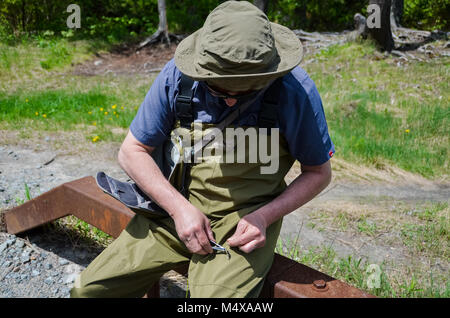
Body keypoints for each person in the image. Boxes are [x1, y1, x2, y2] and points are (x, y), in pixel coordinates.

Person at [71, 0, 334, 298]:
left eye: (247, 89)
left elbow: (318, 173)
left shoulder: (295, 90)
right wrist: (180, 209)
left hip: (243, 225)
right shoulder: (178, 77)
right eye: (219, 88)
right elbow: (132, 151)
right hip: (171, 212)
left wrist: (264, 217)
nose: (232, 100)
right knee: (87, 291)